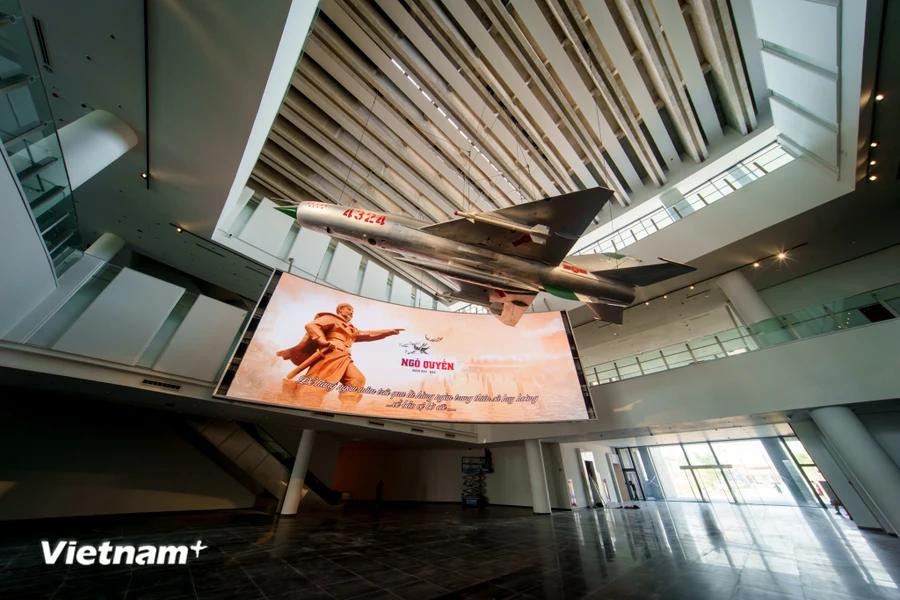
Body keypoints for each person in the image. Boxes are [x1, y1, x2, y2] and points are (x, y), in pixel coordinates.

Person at [276, 303, 402, 400]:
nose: (351, 312)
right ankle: (304, 400)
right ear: (340, 310)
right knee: (318, 382)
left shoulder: (352, 329)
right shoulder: (331, 318)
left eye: (352, 311)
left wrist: (389, 331)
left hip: (345, 355)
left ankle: (348, 408)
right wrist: (322, 340)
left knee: (357, 379)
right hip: (330, 351)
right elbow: (312, 326)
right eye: (348, 309)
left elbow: (369, 334)